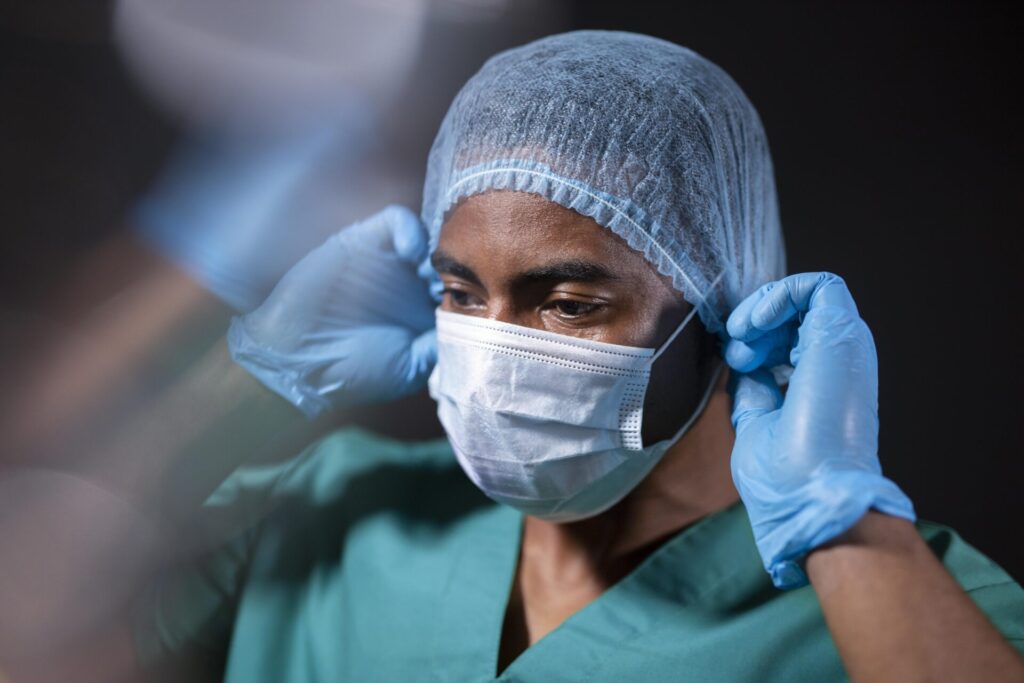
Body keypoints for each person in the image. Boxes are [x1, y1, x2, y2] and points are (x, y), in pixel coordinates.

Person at [2, 30, 1021, 683]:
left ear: (726, 308)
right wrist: (242, 384)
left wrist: (842, 530)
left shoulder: (898, 601)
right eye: (459, 294)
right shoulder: (337, 510)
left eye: (567, 302)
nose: (492, 350)